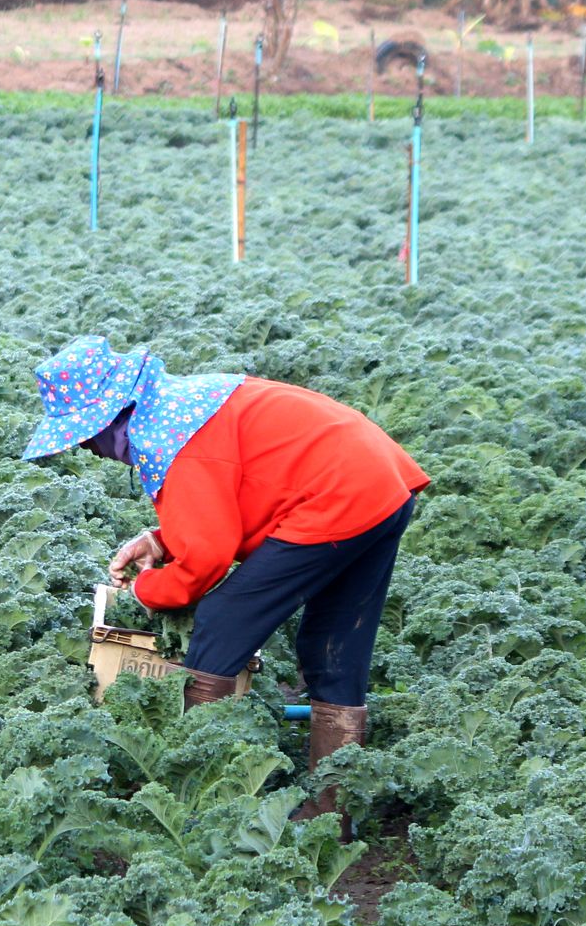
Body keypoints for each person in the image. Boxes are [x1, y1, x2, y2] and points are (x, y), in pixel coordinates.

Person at [22, 336, 426, 817]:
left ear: (114, 413)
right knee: (332, 647)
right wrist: (160, 539)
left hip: (336, 497)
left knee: (219, 621)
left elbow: (205, 563)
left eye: (86, 434)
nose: (87, 447)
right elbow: (239, 491)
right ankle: (334, 812)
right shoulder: (179, 407)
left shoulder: (171, 438)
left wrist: (146, 590)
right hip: (379, 488)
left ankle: (203, 795)